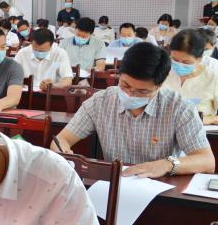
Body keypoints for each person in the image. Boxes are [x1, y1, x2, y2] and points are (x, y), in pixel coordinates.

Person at [52, 42, 215, 176]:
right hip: (115, 184)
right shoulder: (100, 102)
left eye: (142, 91)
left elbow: (207, 161)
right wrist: (64, 154)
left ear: (159, 85)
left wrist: (166, 165)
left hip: (161, 188)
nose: (130, 94)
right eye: (125, 85)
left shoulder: (179, 108)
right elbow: (61, 140)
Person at [161, 29, 218, 123]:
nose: (179, 65)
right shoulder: (163, 72)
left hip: (202, 127)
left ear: (200, 59)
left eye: (186, 62)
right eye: (175, 60)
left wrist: (207, 119)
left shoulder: (212, 77)